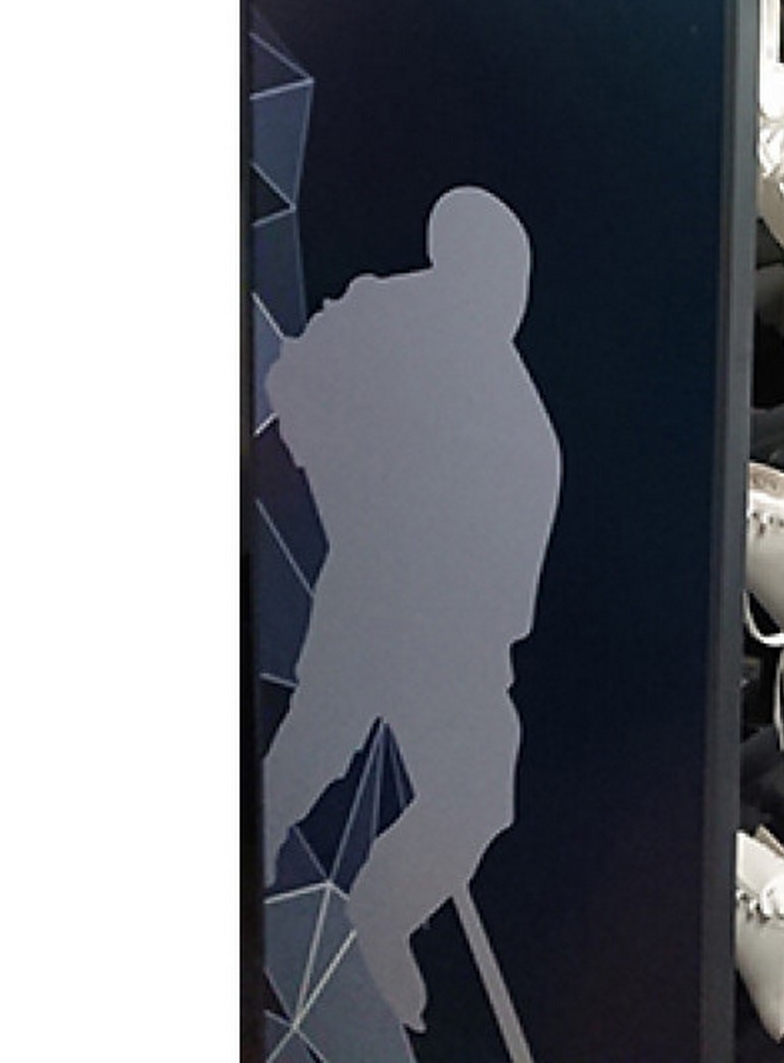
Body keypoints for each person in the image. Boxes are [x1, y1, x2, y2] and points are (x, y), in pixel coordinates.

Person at [260, 186, 562, 1032]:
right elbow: (295, 384)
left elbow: (512, 595)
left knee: (480, 788)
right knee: (318, 742)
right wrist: (324, 463)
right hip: (371, 596)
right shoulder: (384, 316)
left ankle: (384, 911)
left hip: (454, 641)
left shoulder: (526, 426)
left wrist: (475, 653)